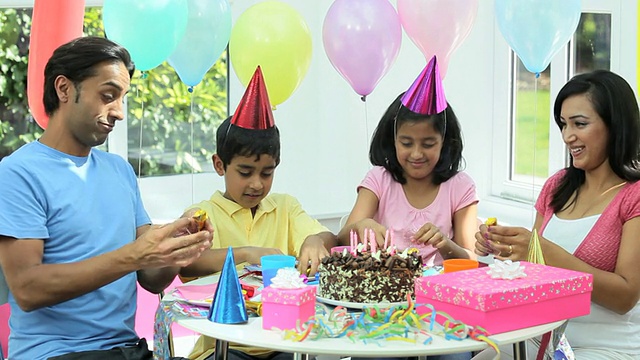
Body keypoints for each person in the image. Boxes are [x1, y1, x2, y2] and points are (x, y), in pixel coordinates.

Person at [0, 36, 212, 360]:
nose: (120, 113)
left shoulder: (119, 171)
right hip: (57, 354)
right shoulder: (18, 173)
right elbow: (28, 288)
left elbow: (151, 279)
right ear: (64, 89)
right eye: (108, 96)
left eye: (123, 99)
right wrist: (135, 255)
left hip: (126, 350)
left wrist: (175, 251)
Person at [474, 70, 640, 359]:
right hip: (539, 338)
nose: (567, 136)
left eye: (580, 124)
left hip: (605, 347)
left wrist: (540, 248)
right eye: (563, 124)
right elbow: (535, 271)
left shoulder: (633, 196)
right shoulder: (557, 187)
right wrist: (504, 249)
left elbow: (625, 296)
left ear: (615, 125)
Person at [179, 66, 337, 360]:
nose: (256, 184)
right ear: (219, 165)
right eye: (245, 171)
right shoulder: (202, 214)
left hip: (284, 342)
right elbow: (188, 264)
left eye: (267, 173)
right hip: (225, 347)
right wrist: (247, 254)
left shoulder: (285, 208)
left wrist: (316, 241)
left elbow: (325, 235)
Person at [338, 56, 479, 269]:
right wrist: (361, 226)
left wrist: (444, 243)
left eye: (428, 144)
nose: (416, 153)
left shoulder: (460, 187)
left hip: (439, 294)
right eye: (406, 143)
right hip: (385, 292)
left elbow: (471, 260)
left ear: (445, 142)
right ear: (393, 140)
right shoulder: (379, 180)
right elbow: (341, 241)